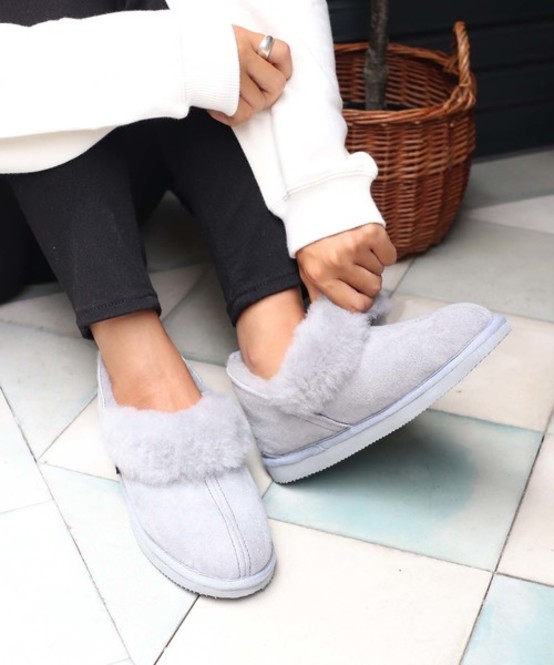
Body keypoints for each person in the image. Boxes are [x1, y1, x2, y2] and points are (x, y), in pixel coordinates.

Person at [0, 0, 510, 598]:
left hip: (122, 168)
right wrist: (183, 56)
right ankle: (141, 371)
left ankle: (284, 351)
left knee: (188, 21)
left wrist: (322, 191)